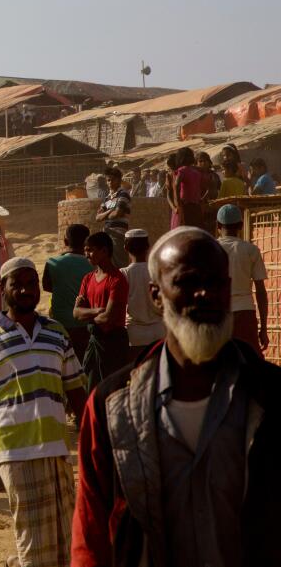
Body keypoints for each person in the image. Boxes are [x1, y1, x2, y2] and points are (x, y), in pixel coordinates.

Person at [71, 227, 281, 567]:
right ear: (156, 295)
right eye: (186, 282)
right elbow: (91, 534)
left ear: (228, 290)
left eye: (215, 283)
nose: (204, 294)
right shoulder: (111, 405)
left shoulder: (270, 396)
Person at [0, 257, 88, 567]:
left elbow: (77, 392)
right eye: (16, 284)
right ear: (2, 289)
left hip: (56, 448)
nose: (25, 289)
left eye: (31, 283)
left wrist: (91, 441)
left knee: (65, 538)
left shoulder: (57, 333)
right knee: (33, 540)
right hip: (15, 451)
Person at [74, 230, 131, 388]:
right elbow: (76, 313)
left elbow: (108, 318)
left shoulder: (117, 280)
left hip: (113, 343)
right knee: (90, 387)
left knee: (114, 390)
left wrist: (88, 313)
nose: (87, 255)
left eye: (90, 250)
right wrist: (97, 311)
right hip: (95, 340)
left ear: (104, 251)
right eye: (85, 250)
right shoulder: (88, 279)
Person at [215, 204, 270, 355]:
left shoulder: (209, 249)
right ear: (240, 225)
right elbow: (261, 291)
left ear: (218, 225)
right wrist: (263, 328)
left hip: (218, 314)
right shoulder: (250, 250)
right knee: (251, 365)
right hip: (245, 313)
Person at [42, 223, 93, 362]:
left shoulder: (53, 262)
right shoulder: (94, 265)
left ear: (65, 241)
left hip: (60, 325)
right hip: (86, 325)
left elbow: (46, 286)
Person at [122, 229, 165, 350]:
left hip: (134, 335)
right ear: (148, 247)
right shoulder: (158, 271)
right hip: (159, 332)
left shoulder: (124, 274)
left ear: (125, 247)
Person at [95, 167, 132, 267]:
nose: (110, 182)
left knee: (120, 264)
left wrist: (106, 213)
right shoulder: (107, 198)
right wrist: (111, 210)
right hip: (107, 233)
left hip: (118, 234)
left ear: (119, 180)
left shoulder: (123, 194)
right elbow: (97, 218)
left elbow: (118, 213)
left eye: (112, 179)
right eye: (108, 180)